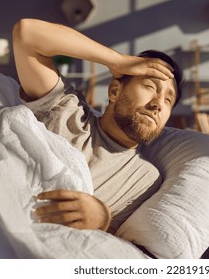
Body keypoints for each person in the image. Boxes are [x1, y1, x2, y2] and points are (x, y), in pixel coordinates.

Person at [12, 18, 183, 234]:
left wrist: (101, 220)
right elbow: (27, 33)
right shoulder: (66, 109)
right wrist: (117, 61)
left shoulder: (145, 179)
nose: (158, 104)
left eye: (169, 100)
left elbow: (119, 251)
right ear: (114, 91)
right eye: (149, 86)